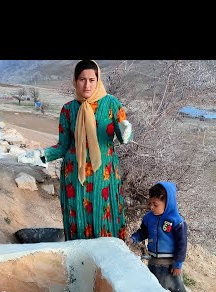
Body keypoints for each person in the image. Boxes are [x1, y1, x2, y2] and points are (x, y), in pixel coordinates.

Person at [21, 60, 133, 240]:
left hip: (104, 177)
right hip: (75, 178)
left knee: (105, 222)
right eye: (82, 79)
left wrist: (126, 131)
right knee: (78, 222)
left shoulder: (111, 104)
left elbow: (123, 136)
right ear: (75, 81)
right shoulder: (68, 110)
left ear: (98, 81)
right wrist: (41, 154)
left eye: (91, 79)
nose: (87, 84)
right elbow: (63, 146)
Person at [126, 182, 189, 292]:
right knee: (156, 288)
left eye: (156, 205)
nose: (152, 207)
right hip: (153, 262)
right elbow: (143, 232)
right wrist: (133, 239)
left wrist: (178, 264)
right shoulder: (149, 218)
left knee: (176, 287)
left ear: (168, 203)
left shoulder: (176, 221)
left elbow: (182, 245)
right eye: (150, 203)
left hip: (170, 265)